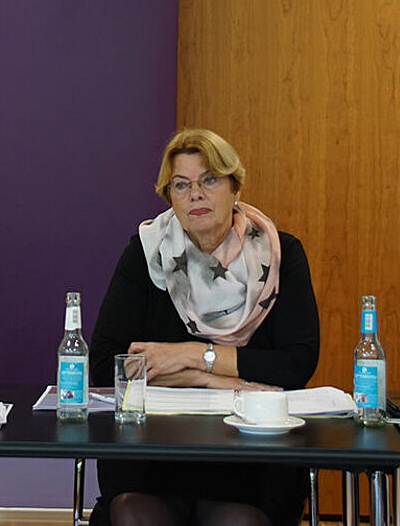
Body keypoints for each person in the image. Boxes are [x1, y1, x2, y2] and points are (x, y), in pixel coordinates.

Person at [89, 128, 320, 526]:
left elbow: (295, 365)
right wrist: (218, 380)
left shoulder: (280, 254)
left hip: (251, 451)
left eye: (209, 180)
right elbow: (106, 365)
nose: (195, 194)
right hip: (155, 450)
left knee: (238, 521)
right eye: (181, 185)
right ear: (170, 197)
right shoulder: (146, 254)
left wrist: (190, 355)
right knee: (133, 513)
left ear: (235, 187)